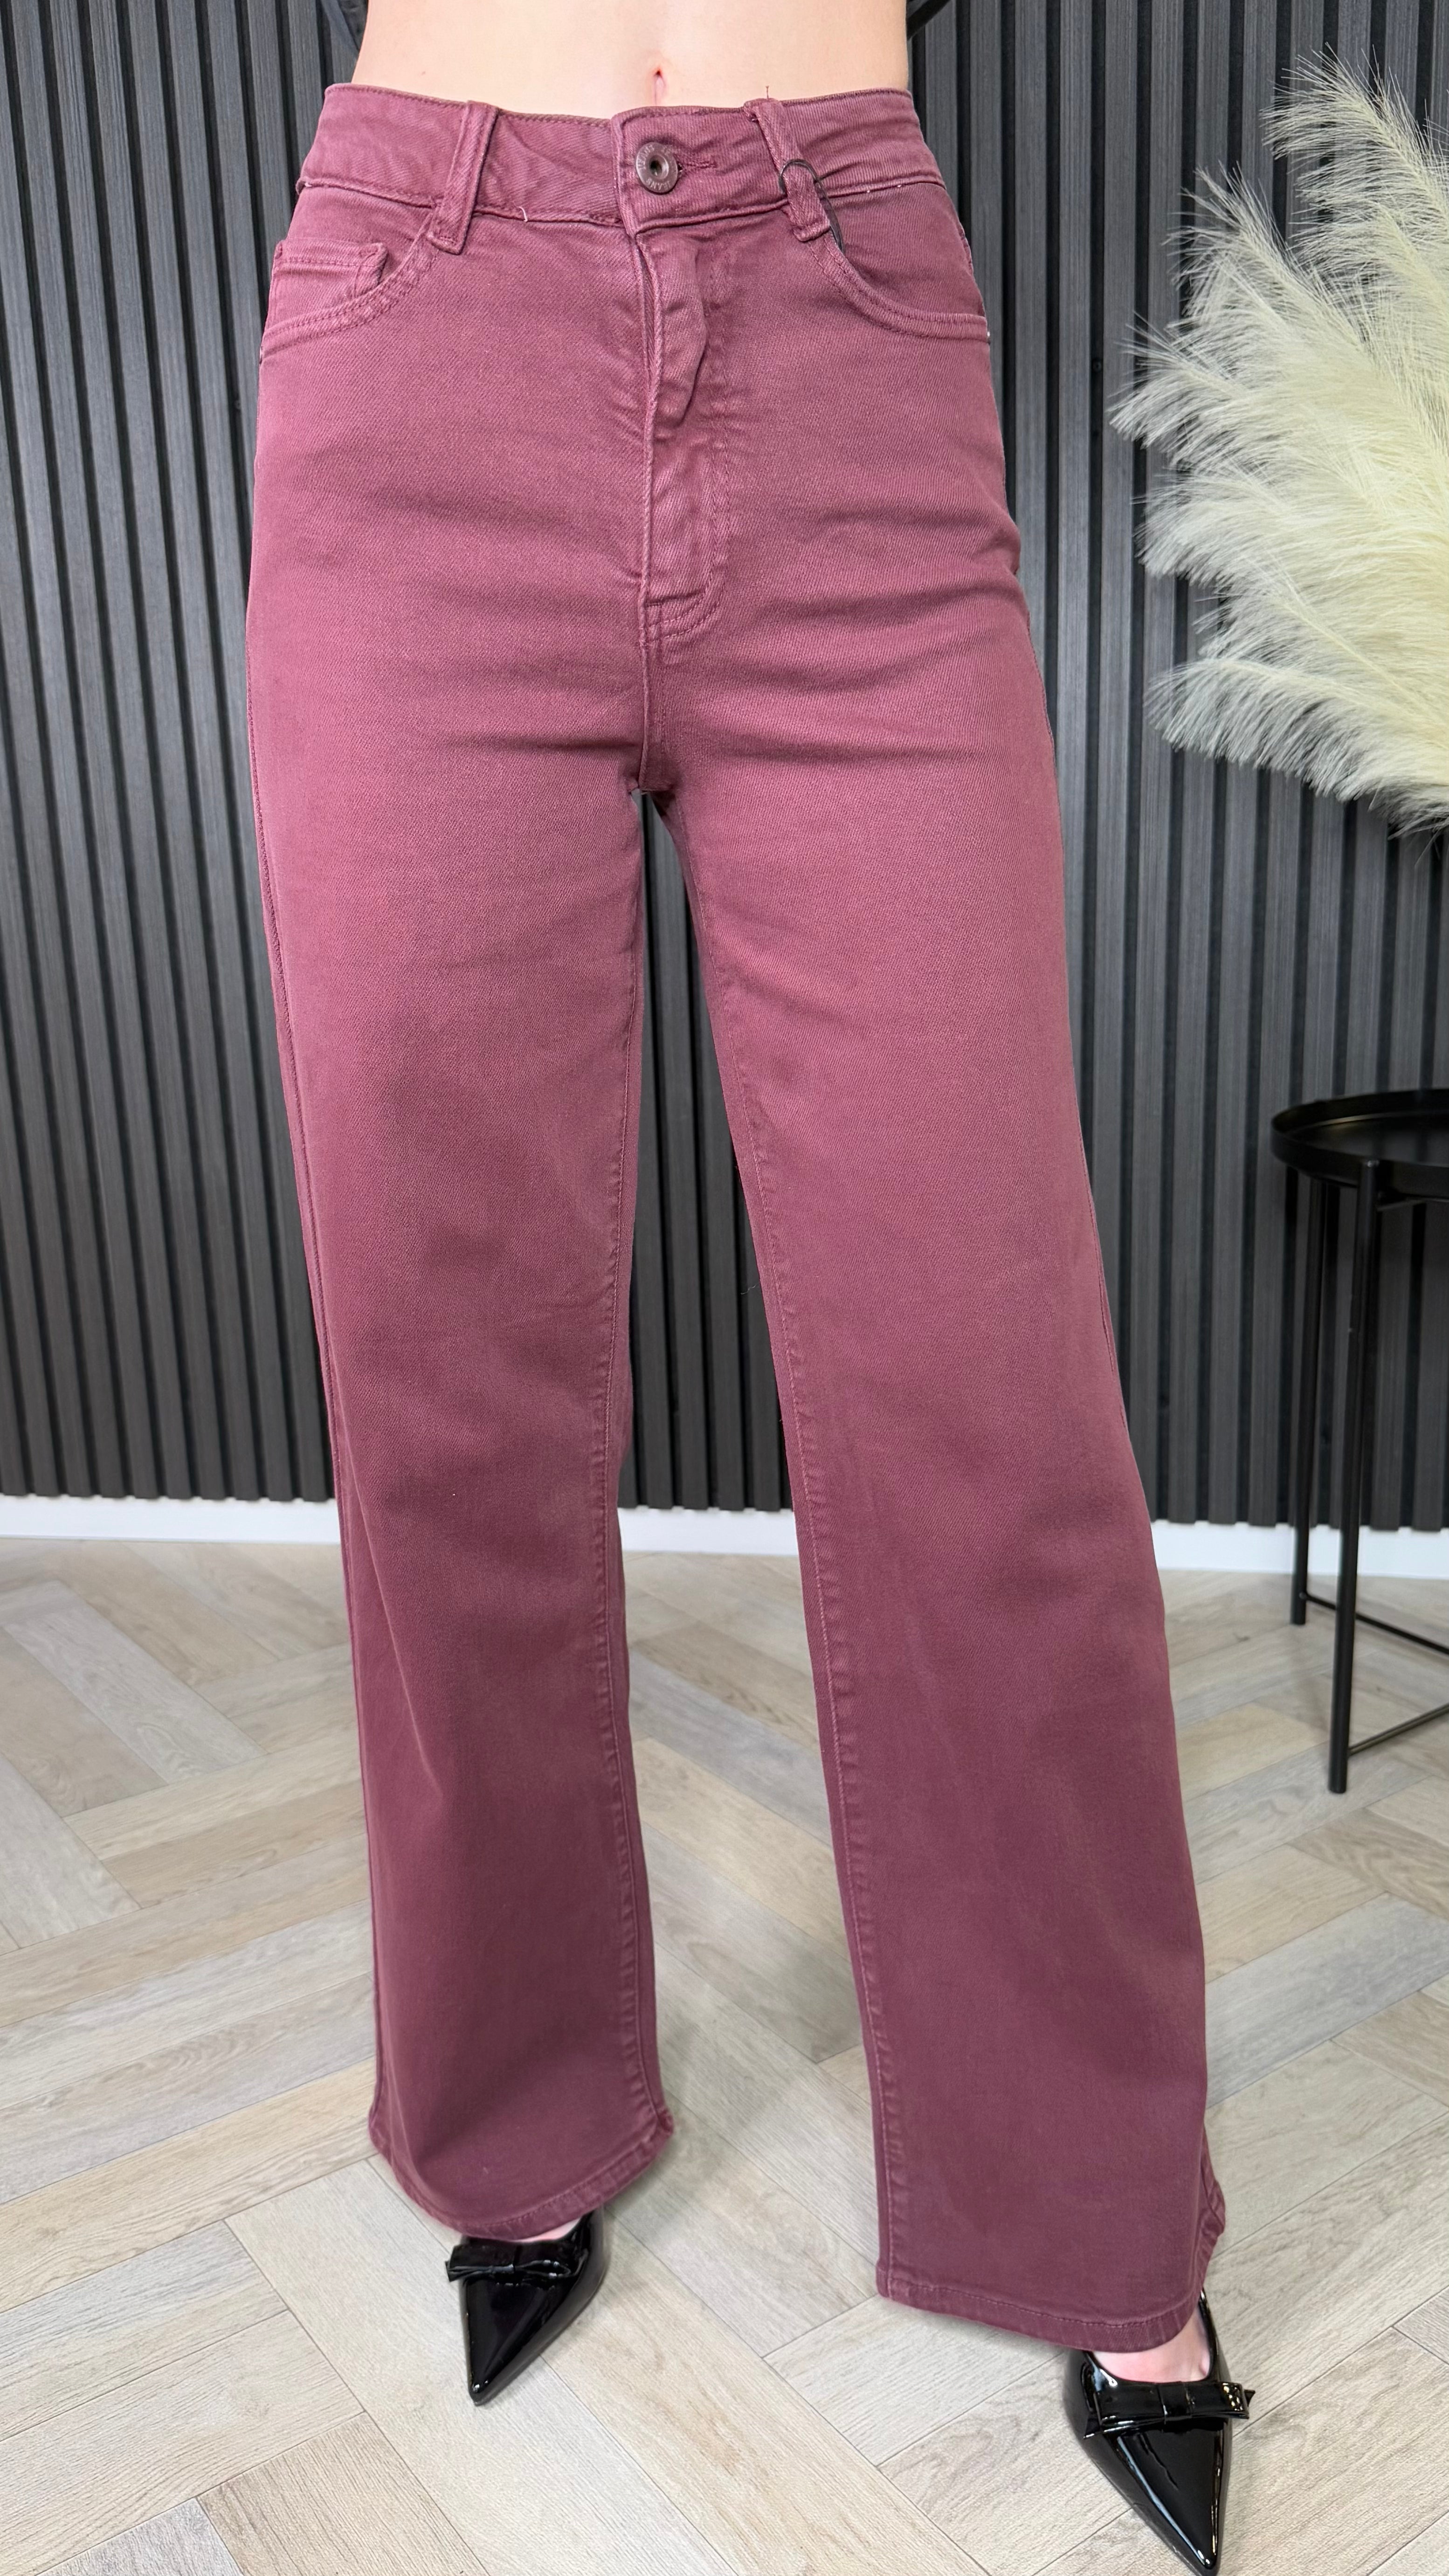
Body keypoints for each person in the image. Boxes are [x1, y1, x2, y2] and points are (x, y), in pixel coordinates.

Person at [243, 0, 1253, 2563]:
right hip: (414, 327)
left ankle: (1097, 2202)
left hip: (843, 324)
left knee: (986, 1392)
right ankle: (510, 2112)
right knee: (442, 1369)